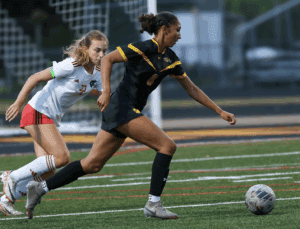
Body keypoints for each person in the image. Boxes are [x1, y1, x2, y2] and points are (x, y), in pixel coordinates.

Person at [24, 11, 236, 220]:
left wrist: (220, 111)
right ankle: (153, 204)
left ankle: (40, 188)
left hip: (121, 112)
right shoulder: (142, 48)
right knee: (167, 146)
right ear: (164, 29)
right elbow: (107, 60)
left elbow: (193, 89)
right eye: (177, 30)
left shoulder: (171, 59)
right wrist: (106, 91)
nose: (180, 35)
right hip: (121, 108)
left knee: (92, 164)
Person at [0, 30, 108, 216]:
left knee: (48, 171)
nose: (101, 55)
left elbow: (98, 92)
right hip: (37, 110)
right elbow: (34, 78)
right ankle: (12, 176)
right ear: (85, 48)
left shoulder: (97, 73)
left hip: (49, 118)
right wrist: (18, 103)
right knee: (62, 157)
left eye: (104, 51)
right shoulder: (71, 65)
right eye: (97, 50)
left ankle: (6, 200)